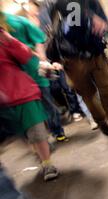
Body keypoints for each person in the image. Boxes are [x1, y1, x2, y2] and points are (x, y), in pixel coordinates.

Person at [46, 0, 108, 144]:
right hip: (74, 60)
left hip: (96, 53)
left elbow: (102, 17)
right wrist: (90, 17)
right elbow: (68, 11)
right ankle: (100, 120)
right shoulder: (59, 4)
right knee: (88, 95)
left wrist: (104, 25)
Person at [0, 22, 59, 182]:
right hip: (3, 105)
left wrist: (9, 40)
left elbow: (26, 57)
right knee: (21, 135)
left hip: (21, 92)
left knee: (36, 130)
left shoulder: (3, 39)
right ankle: (39, 153)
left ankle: (47, 163)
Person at [2, 8, 69, 143]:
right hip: (15, 76)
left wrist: (43, 60)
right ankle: (40, 139)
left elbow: (38, 39)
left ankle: (56, 131)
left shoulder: (17, 21)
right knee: (30, 109)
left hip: (32, 68)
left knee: (46, 102)